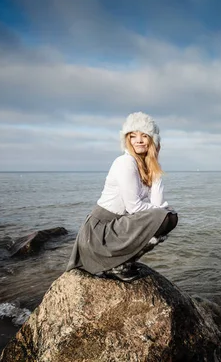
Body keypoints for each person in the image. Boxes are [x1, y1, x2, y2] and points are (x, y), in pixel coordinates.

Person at [66, 111, 178, 281]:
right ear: (127, 140)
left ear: (153, 140)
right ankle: (117, 264)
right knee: (165, 217)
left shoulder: (146, 166)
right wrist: (161, 212)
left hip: (117, 226)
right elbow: (135, 207)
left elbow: (158, 203)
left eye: (144, 136)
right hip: (101, 231)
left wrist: (155, 166)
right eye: (133, 136)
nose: (138, 140)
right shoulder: (126, 163)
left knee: (168, 217)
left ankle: (124, 262)